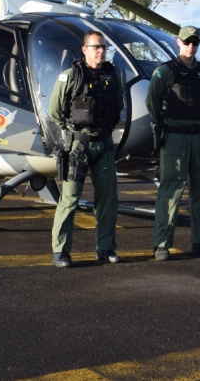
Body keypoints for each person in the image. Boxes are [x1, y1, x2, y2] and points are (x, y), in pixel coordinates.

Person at [48, 31, 125, 268]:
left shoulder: (113, 76)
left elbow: (119, 104)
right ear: (85, 49)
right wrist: (72, 133)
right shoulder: (71, 76)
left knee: (108, 198)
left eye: (103, 47)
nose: (101, 51)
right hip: (78, 146)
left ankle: (105, 248)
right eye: (96, 47)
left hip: (104, 144)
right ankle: (61, 250)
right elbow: (54, 111)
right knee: (70, 198)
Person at [146, 25, 200, 261]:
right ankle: (161, 244)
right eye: (187, 41)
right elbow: (152, 103)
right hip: (175, 137)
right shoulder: (165, 71)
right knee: (171, 189)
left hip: (198, 136)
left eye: (195, 42)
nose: (191, 46)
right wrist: (167, 123)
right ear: (178, 42)